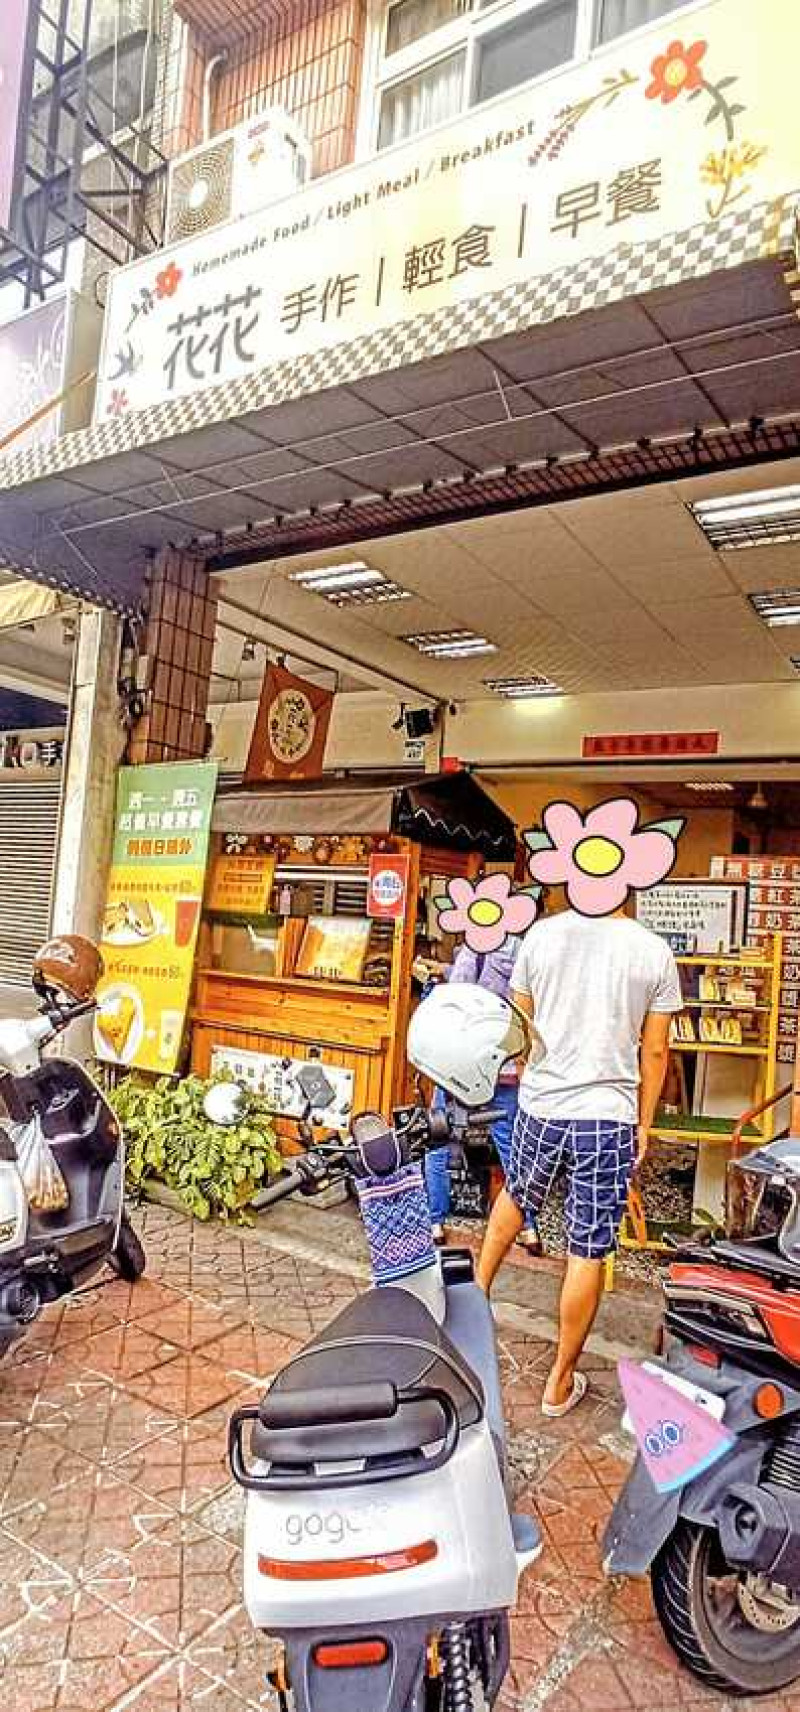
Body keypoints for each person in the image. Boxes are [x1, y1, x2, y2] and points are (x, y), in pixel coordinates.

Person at [477, 907, 681, 1416]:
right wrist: (644, 1122)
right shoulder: (652, 950)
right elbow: (655, 1051)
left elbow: (516, 1025)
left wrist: (531, 1075)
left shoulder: (540, 936)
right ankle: (559, 1383)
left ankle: (473, 1299)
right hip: (607, 1117)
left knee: (517, 1195)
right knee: (587, 1244)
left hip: (541, 1105)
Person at [422, 936, 541, 1253]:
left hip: (456, 1064)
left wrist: (441, 975)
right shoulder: (521, 949)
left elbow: (460, 994)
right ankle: (528, 1227)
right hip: (501, 1065)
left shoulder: (475, 944)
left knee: (439, 1140)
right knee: (512, 1148)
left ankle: (434, 1221)